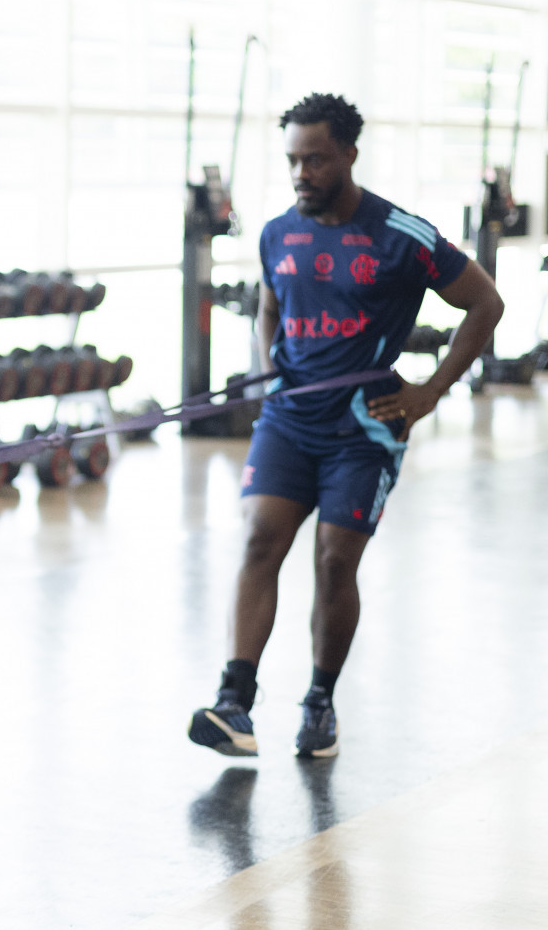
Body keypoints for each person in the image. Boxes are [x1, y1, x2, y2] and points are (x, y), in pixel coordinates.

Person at [189, 93, 504, 760]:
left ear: (348, 156)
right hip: (290, 416)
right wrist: (270, 364)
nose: (302, 173)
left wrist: (432, 391)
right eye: (293, 161)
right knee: (258, 542)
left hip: (366, 424)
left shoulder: (402, 235)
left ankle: (320, 701)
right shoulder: (278, 232)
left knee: (335, 563)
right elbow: (270, 308)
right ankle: (234, 703)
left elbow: (485, 302)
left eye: (315, 160)